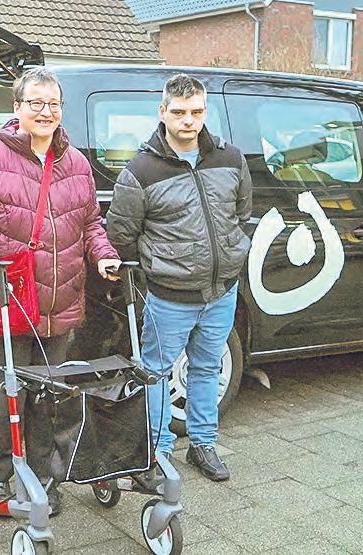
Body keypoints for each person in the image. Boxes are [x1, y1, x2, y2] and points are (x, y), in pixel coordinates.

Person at [0, 68, 121, 514]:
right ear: (17, 107)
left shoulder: (76, 163)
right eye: (36, 103)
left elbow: (90, 222)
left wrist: (103, 254)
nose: (45, 112)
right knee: (1, 399)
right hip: (6, 302)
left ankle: (42, 479)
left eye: (53, 104)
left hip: (59, 307)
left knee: (48, 399)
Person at [106, 73, 252, 482]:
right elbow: (121, 233)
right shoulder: (141, 170)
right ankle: (158, 452)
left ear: (206, 112)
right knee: (156, 373)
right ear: (163, 112)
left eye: (197, 112)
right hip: (169, 296)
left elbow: (241, 213)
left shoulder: (231, 159)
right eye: (180, 112)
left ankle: (203, 445)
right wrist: (161, 265)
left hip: (221, 291)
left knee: (206, 369)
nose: (189, 120)